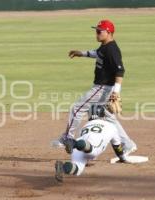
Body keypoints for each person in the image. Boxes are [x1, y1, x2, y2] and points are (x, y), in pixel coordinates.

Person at [52, 19, 136, 154]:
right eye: (96, 31)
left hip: (102, 88)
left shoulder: (112, 50)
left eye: (99, 31)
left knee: (77, 108)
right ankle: (127, 144)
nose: (96, 34)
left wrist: (116, 91)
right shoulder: (105, 46)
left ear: (108, 32)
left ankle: (67, 138)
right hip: (104, 88)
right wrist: (82, 53)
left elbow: (120, 70)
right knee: (108, 117)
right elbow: (97, 53)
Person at [55, 105, 129, 182]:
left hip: (80, 144)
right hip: (89, 144)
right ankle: (74, 143)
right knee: (92, 151)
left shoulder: (85, 126)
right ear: (103, 115)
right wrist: (122, 158)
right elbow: (117, 147)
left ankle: (62, 167)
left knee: (77, 169)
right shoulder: (111, 126)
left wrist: (86, 160)